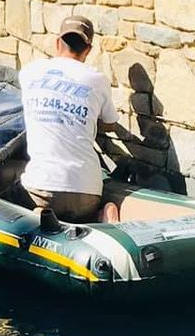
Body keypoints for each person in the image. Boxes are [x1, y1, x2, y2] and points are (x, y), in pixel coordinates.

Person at [17, 15, 126, 225]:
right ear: (88, 49)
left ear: (58, 42)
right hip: (87, 192)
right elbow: (110, 124)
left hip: (43, 188)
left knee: (2, 200)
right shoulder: (98, 80)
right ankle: (101, 216)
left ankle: (39, 215)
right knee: (82, 213)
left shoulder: (29, 72)